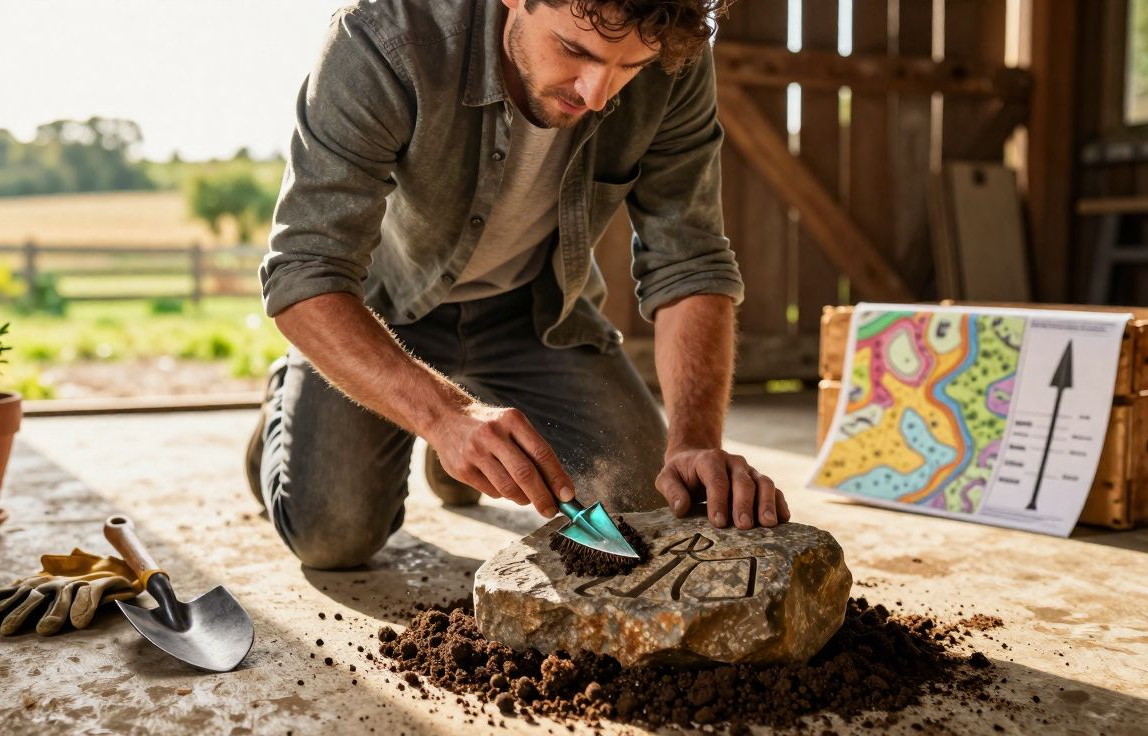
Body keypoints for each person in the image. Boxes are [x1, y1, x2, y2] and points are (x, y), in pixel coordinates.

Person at [246, 0, 790, 570]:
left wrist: (695, 440)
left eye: (629, 69)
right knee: (332, 539)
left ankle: (472, 435)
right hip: (381, 315)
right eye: (574, 51)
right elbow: (305, 271)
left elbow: (689, 261)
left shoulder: (671, 51)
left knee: (647, 507)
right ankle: (287, 418)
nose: (597, 94)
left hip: (539, 317)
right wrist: (444, 417)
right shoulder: (381, 37)